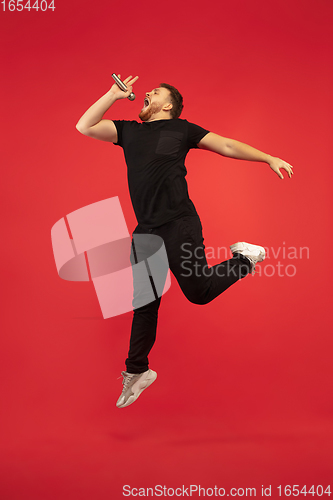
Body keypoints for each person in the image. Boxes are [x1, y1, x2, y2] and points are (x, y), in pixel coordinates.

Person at [76, 74, 294, 409]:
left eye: (155, 92)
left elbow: (226, 145)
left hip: (179, 223)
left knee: (199, 292)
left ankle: (245, 260)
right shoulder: (128, 132)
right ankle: (137, 371)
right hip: (146, 230)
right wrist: (111, 95)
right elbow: (85, 126)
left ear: (168, 105)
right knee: (144, 305)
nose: (147, 92)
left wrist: (268, 157)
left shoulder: (181, 129)